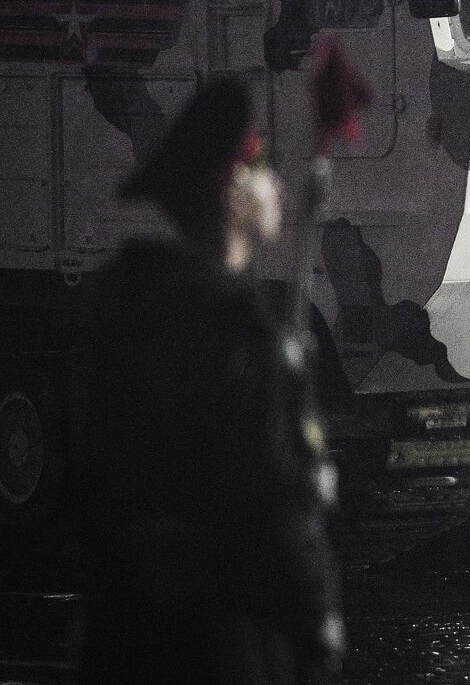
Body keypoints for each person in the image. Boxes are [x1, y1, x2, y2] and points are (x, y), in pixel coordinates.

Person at [77, 78, 344, 685]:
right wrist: (315, 620)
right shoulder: (234, 329)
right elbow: (268, 498)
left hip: (127, 628)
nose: (277, 186)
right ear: (232, 189)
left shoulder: (125, 307)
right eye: (265, 169)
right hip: (225, 641)